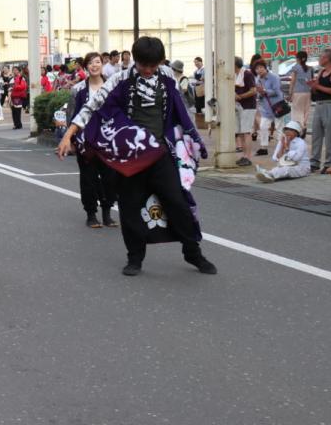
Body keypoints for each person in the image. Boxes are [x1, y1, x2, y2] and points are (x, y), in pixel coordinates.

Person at [57, 36, 216, 277]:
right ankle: (135, 257)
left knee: (177, 202)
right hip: (131, 155)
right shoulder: (120, 79)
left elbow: (181, 110)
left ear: (160, 62)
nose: (148, 70)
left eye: (153, 65)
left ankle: (192, 252)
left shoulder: (167, 78)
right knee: (130, 207)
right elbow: (92, 106)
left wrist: (191, 138)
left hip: (161, 152)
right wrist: (69, 134)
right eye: (144, 65)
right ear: (135, 60)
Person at [68, 53, 117, 228]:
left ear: (102, 64)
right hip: (85, 141)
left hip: (108, 140)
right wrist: (71, 139)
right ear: (85, 67)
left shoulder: (113, 86)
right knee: (88, 178)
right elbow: (72, 115)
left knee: (110, 178)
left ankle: (107, 212)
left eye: (97, 62)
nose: (94, 65)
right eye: (90, 63)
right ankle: (91, 213)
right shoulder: (78, 89)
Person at [308, 49, 331, 173]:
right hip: (319, 104)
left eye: (321, 57)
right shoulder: (321, 72)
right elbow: (317, 88)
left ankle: (329, 162)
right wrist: (313, 86)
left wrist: (317, 86)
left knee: (330, 136)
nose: (319, 59)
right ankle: (314, 162)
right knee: (316, 134)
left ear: (327, 59)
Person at [252, 60, 285, 157]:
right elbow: (258, 94)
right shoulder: (258, 79)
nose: (259, 70)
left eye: (261, 67)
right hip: (266, 108)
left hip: (277, 105)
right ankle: (264, 148)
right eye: (257, 68)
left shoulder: (274, 77)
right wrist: (260, 93)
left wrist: (265, 91)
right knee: (263, 126)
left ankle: (281, 147)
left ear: (265, 68)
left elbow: (277, 91)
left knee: (279, 127)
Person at [233, 57, 256, 166]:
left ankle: (248, 157)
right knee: (241, 133)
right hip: (238, 106)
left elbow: (253, 90)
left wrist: (240, 96)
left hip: (248, 106)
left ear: (235, 65)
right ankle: (244, 156)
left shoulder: (247, 74)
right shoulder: (235, 75)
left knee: (246, 132)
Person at [288, 51, 314, 134]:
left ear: (298, 59)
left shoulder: (295, 67)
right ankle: (304, 125)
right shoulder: (310, 69)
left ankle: (301, 127)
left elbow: (293, 81)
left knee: (297, 111)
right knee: (306, 111)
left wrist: (290, 93)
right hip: (308, 93)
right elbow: (312, 81)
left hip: (297, 93)